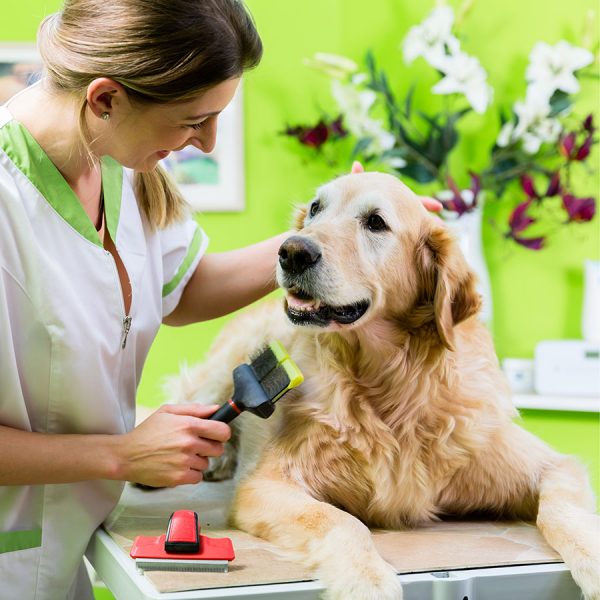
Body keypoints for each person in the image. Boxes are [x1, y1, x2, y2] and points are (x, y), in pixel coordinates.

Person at [0, 1, 442, 598]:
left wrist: (325, 241)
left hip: (64, 553)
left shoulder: (116, 163)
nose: (205, 144)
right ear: (106, 99)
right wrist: (121, 455)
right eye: (193, 120)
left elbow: (181, 290)